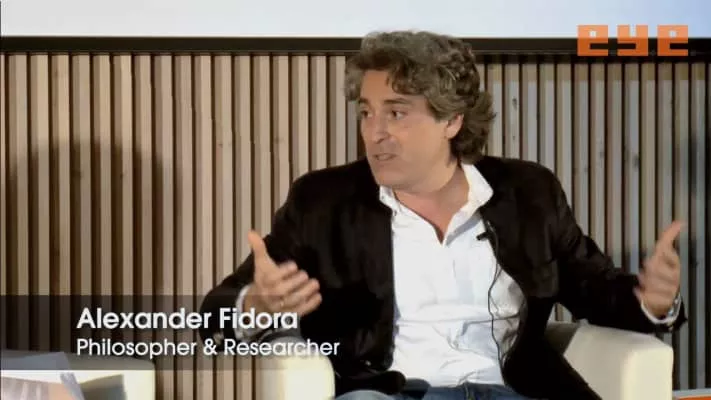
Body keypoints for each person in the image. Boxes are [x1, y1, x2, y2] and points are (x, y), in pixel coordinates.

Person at [200, 30, 686, 400]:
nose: (374, 132)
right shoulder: (323, 202)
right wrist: (255, 306)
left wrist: (653, 301)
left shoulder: (527, 193)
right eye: (366, 112)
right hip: (389, 393)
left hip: (512, 391)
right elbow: (213, 320)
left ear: (452, 120)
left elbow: (594, 289)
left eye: (396, 113)